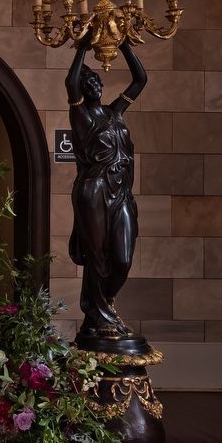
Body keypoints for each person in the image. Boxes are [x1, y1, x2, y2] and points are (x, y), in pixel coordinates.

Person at [65, 31, 146, 348]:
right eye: (89, 83)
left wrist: (125, 43)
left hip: (121, 191)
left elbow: (140, 80)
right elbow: (69, 84)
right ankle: (100, 317)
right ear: (83, 91)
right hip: (94, 190)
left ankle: (103, 308)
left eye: (97, 80)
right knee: (97, 256)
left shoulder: (115, 113)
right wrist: (82, 48)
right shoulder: (80, 115)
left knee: (123, 257)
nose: (95, 84)